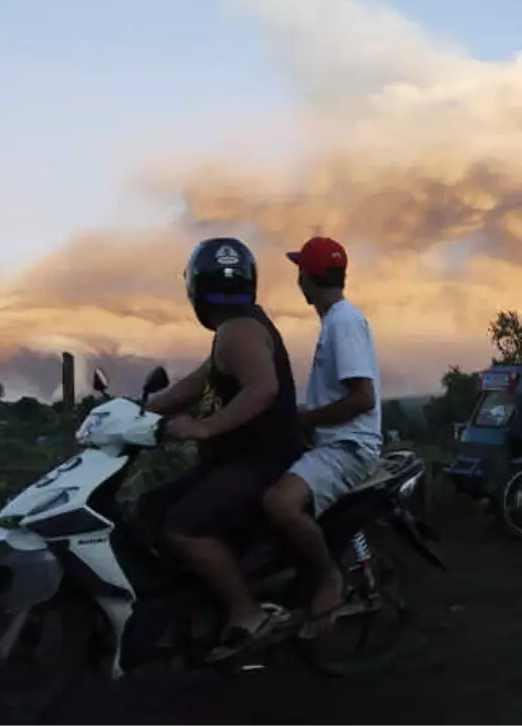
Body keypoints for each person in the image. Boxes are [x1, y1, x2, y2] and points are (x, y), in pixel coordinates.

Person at [144, 237, 304, 659]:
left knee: (183, 525)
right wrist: (141, 410)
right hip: (240, 461)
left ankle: (247, 613)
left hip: (260, 464)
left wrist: (204, 428)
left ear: (195, 286)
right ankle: (191, 602)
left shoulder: (238, 331)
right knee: (148, 509)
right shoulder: (237, 327)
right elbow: (195, 383)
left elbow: (263, 388)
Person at [261, 236, 383, 639]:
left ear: (307, 278)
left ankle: (329, 578)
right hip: (333, 441)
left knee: (280, 504)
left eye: (299, 271)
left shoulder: (343, 322)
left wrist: (309, 419)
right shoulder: (335, 321)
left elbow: (362, 398)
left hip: (348, 447)